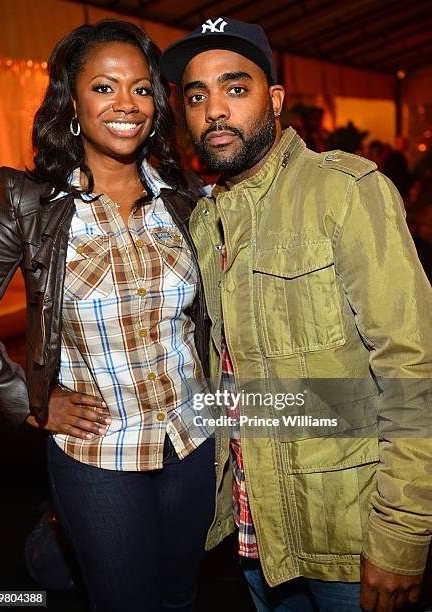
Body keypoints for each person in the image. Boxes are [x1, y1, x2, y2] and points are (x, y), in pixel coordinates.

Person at [160, 17, 432, 612]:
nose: (215, 112)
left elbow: (414, 367)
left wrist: (404, 532)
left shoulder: (345, 191)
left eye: (236, 88)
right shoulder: (204, 222)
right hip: (256, 537)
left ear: (275, 100)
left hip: (349, 539)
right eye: (198, 96)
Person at [0, 20, 215, 612]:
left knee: (181, 596)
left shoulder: (187, 197)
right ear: (73, 103)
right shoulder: (30, 201)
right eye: (105, 88)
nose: (126, 104)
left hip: (193, 442)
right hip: (99, 456)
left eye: (140, 88)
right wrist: (31, 401)